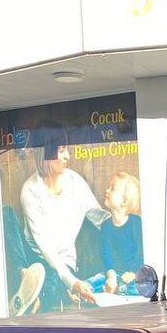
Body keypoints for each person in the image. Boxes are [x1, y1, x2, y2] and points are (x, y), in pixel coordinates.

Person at [18, 125, 100, 310]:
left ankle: (34, 298)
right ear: (44, 154)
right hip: (38, 259)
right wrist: (72, 282)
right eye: (61, 151)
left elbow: (98, 218)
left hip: (66, 262)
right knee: (49, 280)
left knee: (54, 284)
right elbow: (44, 246)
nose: (67, 157)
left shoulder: (75, 182)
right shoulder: (30, 191)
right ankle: (30, 290)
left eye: (67, 150)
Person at [99, 172, 144, 295]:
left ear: (124, 201)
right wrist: (111, 276)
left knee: (139, 286)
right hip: (114, 273)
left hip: (133, 275)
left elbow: (141, 252)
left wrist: (134, 272)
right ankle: (82, 292)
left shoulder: (136, 223)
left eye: (112, 188)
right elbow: (105, 254)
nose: (107, 190)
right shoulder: (106, 225)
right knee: (96, 280)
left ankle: (120, 290)